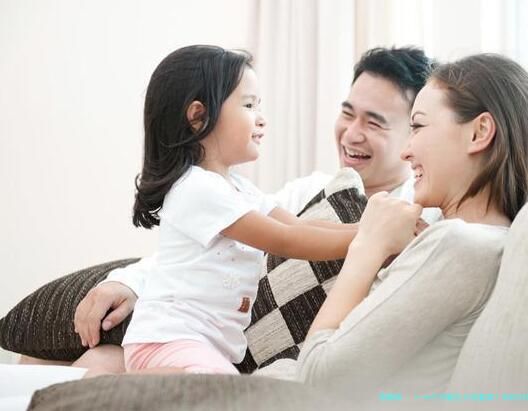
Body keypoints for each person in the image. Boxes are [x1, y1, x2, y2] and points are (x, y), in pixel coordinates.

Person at [21, 46, 438, 370]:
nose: (351, 133)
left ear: (413, 132)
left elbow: (288, 232)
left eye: (374, 122)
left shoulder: (427, 218)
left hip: (233, 349)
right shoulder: (259, 190)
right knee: (80, 361)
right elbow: (283, 238)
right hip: (181, 338)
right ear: (199, 117)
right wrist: (128, 282)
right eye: (347, 114)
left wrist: (377, 232)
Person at [263, 53, 528, 403]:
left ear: (479, 132)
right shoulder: (481, 241)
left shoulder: (458, 245)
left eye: (418, 127)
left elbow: (318, 377)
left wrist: (368, 245)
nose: (405, 152)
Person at [84, 45, 359, 376]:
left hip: (197, 345)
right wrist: (369, 239)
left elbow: (300, 226)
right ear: (199, 116)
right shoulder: (197, 189)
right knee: (226, 391)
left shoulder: (238, 188)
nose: (261, 118)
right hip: (169, 340)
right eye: (249, 105)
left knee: (224, 387)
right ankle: (116, 386)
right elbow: (287, 240)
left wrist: (368, 228)